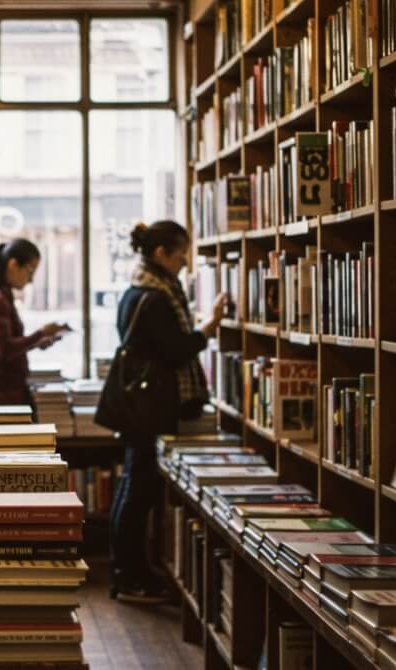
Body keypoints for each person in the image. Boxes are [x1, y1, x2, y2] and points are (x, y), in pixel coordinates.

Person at [109, 220, 227, 603]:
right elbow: (175, 350)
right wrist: (207, 329)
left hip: (137, 405)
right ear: (161, 254)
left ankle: (127, 570)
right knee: (138, 492)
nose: (184, 264)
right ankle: (130, 575)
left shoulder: (135, 289)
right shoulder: (156, 296)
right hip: (149, 407)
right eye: (180, 255)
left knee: (132, 488)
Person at [0, 239, 69, 405]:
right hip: (1, 391)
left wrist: (37, 342)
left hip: (6, 387)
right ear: (13, 264)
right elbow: (5, 349)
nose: (30, 279)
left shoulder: (0, 296)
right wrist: (41, 332)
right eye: (30, 270)